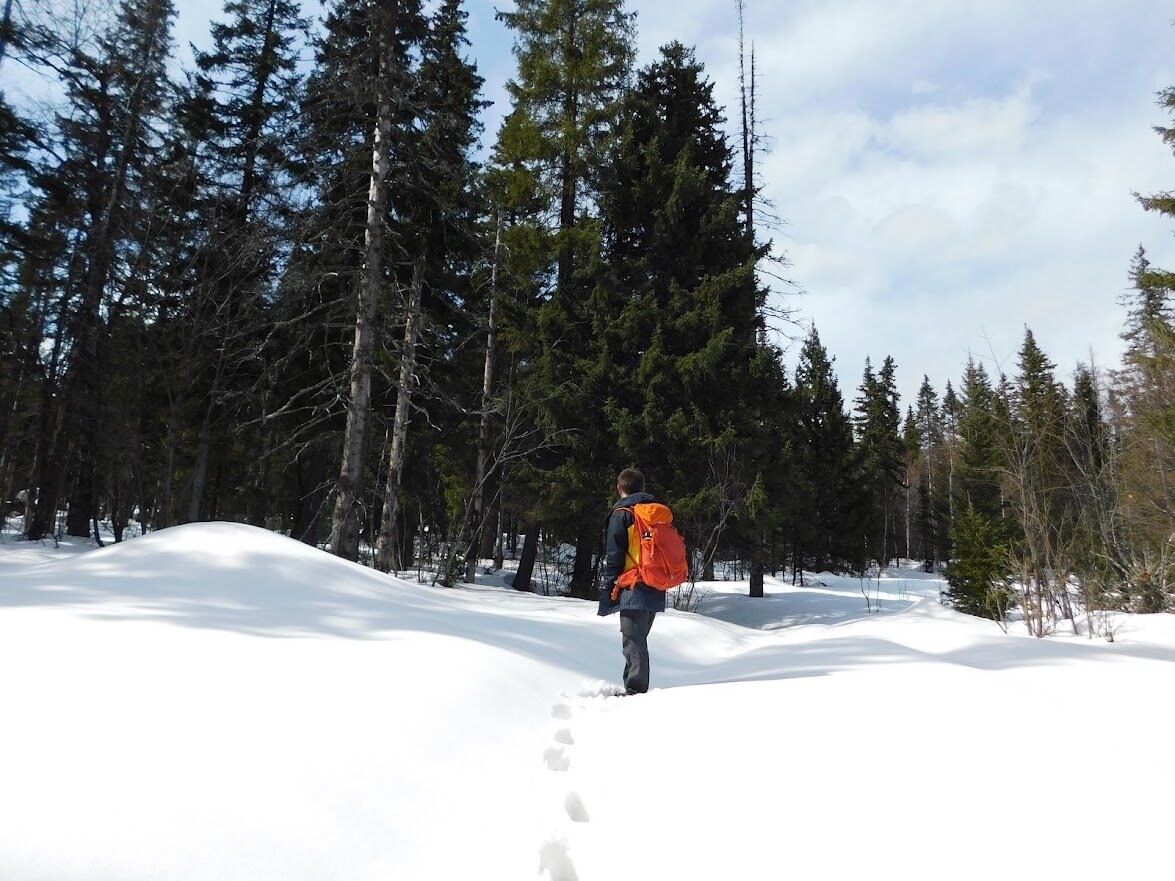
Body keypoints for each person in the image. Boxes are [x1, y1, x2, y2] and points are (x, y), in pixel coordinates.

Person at [598, 467, 666, 695]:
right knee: (638, 639)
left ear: (619, 488)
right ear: (642, 488)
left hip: (633, 584)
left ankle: (636, 692)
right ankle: (635, 687)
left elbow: (614, 555)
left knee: (632, 640)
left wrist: (609, 587)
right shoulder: (653, 513)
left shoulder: (622, 514)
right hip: (655, 583)